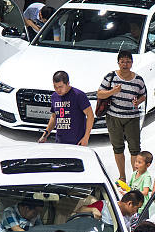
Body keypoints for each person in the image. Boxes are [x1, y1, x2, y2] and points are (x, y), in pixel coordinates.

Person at [98, 50, 147, 182]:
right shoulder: (111, 76)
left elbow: (143, 95)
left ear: (132, 63)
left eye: (128, 62)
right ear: (118, 63)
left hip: (132, 117)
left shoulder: (138, 80)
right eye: (122, 62)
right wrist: (113, 91)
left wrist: (138, 101)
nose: (125, 64)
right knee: (118, 147)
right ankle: (122, 176)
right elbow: (99, 94)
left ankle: (135, 178)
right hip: (113, 117)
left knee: (134, 148)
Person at [39, 71, 94, 147]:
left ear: (68, 83)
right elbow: (54, 117)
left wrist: (86, 137)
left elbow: (90, 115)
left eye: (61, 87)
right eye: (55, 87)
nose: (58, 90)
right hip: (60, 141)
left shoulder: (78, 95)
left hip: (76, 142)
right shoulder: (54, 96)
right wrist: (45, 134)